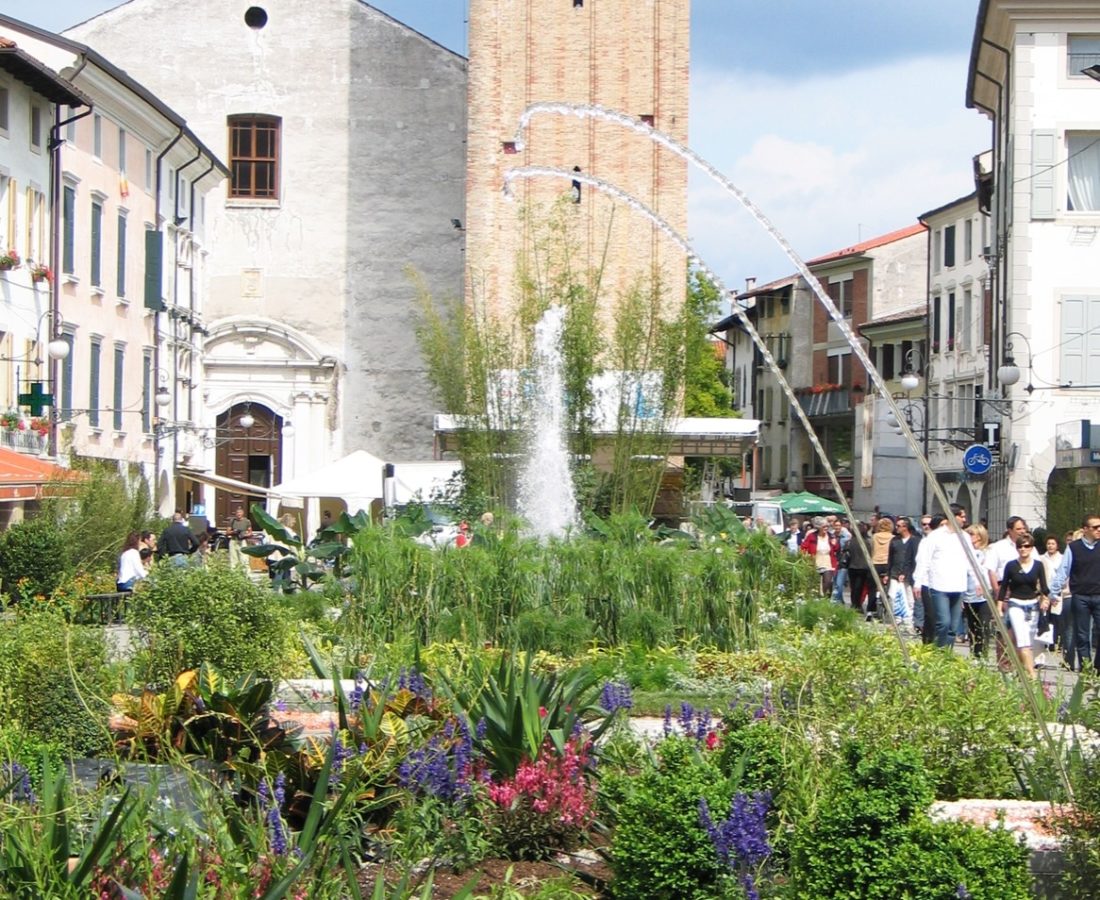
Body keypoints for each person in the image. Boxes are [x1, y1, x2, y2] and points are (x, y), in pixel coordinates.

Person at [1048, 515, 1100, 672]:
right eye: (1095, 527)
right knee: (1082, 635)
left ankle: (1097, 667)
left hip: (1099, 595)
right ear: (1085, 529)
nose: (1099, 530)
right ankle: (1086, 669)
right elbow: (1064, 570)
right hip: (1080, 596)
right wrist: (1054, 592)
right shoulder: (1074, 548)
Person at [997, 533, 1050, 678]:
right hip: (1016, 604)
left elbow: (1044, 586)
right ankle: (1032, 674)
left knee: (1029, 641)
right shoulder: (1011, 565)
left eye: (1026, 546)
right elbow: (1004, 587)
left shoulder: (1038, 565)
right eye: (1019, 546)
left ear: (1031, 548)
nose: (1023, 549)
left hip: (1032, 605)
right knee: (1022, 640)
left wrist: (1047, 598)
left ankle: (1022, 670)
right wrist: (999, 605)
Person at [912, 513, 969, 649]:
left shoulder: (963, 537)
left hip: (957, 585)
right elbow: (922, 561)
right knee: (939, 620)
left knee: (952, 625)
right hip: (934, 584)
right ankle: (932, 647)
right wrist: (918, 582)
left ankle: (945, 653)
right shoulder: (932, 538)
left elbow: (970, 561)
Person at [962, 524, 995, 660]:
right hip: (968, 595)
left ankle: (983, 654)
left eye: (972, 534)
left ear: (980, 536)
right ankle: (974, 654)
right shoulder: (965, 553)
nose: (969, 537)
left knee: (983, 626)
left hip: (983, 595)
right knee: (972, 627)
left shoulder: (987, 552)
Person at [800, 516, 839, 597]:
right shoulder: (812, 536)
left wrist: (834, 544)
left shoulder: (831, 536)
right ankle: (816, 598)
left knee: (828, 582)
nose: (826, 528)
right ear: (819, 527)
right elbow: (803, 547)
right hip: (815, 563)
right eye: (824, 526)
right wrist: (806, 557)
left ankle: (823, 598)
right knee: (815, 584)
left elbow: (836, 549)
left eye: (827, 526)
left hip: (828, 563)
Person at [869, 517, 895, 620]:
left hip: (876, 563)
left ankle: (871, 609)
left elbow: (872, 549)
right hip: (887, 564)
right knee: (888, 587)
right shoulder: (893, 537)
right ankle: (886, 607)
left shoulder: (874, 537)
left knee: (872, 587)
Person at [846, 520, 874, 615]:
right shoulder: (867, 542)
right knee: (859, 587)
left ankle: (855, 604)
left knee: (854, 587)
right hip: (863, 567)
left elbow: (846, 553)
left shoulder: (850, 542)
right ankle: (857, 605)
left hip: (852, 567)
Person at [228, 506, 253, 570]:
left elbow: (250, 533)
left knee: (244, 559)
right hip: (233, 540)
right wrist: (234, 532)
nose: (239, 514)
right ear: (235, 514)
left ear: (243, 513)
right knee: (233, 560)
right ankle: (234, 575)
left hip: (242, 541)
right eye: (237, 513)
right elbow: (227, 532)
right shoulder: (232, 521)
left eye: (240, 512)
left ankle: (246, 576)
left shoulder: (247, 521)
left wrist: (245, 535)